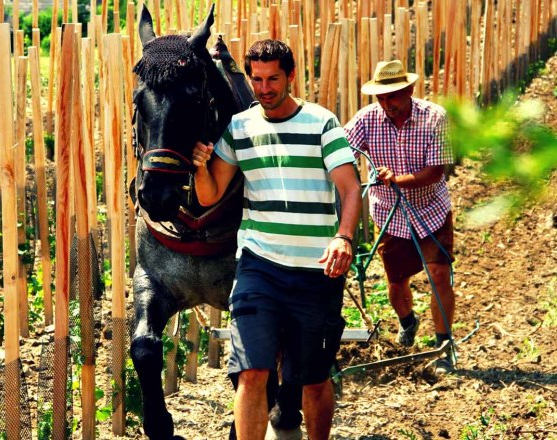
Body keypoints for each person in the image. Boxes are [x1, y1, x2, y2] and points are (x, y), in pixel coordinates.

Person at [192, 39, 361, 440]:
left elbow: (350, 188)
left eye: (272, 79)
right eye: (257, 80)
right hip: (259, 267)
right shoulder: (240, 128)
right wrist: (200, 168)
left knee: (313, 380)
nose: (264, 89)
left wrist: (343, 237)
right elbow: (210, 195)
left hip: (316, 270)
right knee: (251, 372)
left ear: (290, 77)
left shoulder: (322, 123)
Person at [344, 59, 456, 374]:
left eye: (392, 96)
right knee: (396, 284)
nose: (386, 104)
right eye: (381, 97)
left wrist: (398, 179)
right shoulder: (367, 119)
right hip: (390, 215)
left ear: (409, 90)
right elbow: (340, 150)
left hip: (431, 209)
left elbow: (436, 171)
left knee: (438, 274)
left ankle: (444, 346)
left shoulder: (434, 117)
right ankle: (408, 322)